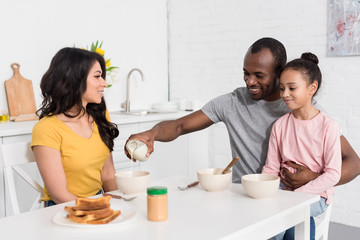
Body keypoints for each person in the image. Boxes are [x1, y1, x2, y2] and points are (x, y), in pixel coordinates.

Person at [125, 37, 360, 188]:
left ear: (280, 73)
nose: (250, 81)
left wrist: (314, 179)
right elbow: (179, 126)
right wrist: (152, 133)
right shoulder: (231, 102)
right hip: (242, 197)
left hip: (290, 196)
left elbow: (354, 163)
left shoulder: (304, 111)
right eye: (246, 73)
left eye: (259, 75)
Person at [262, 52, 341, 240]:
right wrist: (264, 191)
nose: (284, 94)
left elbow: (333, 174)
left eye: (292, 88)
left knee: (280, 220)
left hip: (316, 194)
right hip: (283, 190)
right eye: (282, 88)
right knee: (272, 219)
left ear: (312, 88)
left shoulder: (328, 126)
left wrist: (296, 195)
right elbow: (271, 168)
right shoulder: (280, 125)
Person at [31, 47, 119, 207]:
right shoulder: (46, 129)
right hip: (62, 209)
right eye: (97, 77)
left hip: (98, 202)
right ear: (75, 79)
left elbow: (107, 175)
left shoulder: (100, 116)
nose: (104, 83)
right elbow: (60, 195)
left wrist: (119, 204)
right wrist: (98, 210)